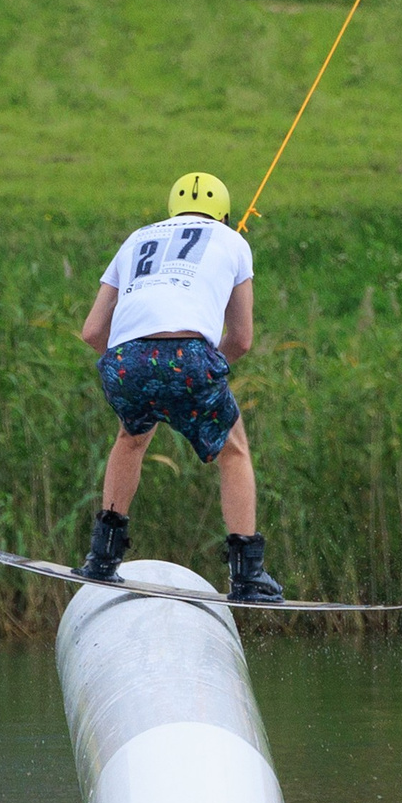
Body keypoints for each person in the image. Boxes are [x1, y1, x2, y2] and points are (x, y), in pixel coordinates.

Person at [74, 172, 285, 603]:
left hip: (125, 360)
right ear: (224, 215)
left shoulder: (136, 239)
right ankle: (247, 575)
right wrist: (200, 369)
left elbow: (92, 332)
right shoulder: (233, 241)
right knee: (233, 450)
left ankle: (102, 558)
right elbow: (242, 339)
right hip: (191, 356)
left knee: (131, 438)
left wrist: (136, 363)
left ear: (172, 209)